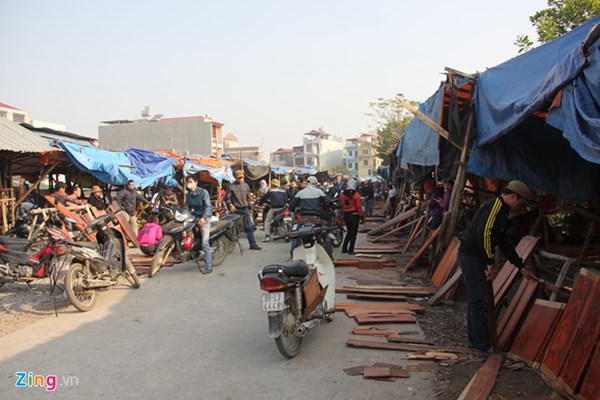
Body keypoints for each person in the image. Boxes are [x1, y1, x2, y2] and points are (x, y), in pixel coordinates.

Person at [457, 180, 536, 353]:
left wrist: (521, 266)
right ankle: (482, 346)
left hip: (474, 256)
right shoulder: (495, 206)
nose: (520, 207)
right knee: (479, 301)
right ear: (513, 196)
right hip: (471, 257)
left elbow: (504, 242)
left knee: (476, 300)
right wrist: (490, 261)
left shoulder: (502, 211)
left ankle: (476, 341)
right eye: (521, 202)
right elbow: (484, 233)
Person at [289, 175, 333, 259]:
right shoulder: (319, 192)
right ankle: (330, 256)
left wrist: (295, 210)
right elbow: (328, 203)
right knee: (325, 235)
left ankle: (292, 255)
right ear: (315, 183)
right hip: (316, 219)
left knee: (295, 235)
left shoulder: (300, 192)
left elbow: (291, 206)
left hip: (303, 219)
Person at [225, 170, 262, 250]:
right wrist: (230, 205)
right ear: (235, 177)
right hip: (235, 210)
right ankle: (227, 244)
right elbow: (227, 199)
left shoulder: (246, 185)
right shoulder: (231, 186)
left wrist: (250, 206)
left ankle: (253, 245)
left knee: (249, 227)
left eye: (242, 177)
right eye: (239, 178)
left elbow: (248, 198)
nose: (240, 179)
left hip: (244, 209)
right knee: (231, 227)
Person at [184, 175, 213, 274]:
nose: (189, 184)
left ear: (196, 182)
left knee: (205, 242)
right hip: (195, 217)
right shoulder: (189, 195)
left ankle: (209, 266)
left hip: (205, 217)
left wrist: (204, 218)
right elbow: (186, 208)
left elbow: (208, 207)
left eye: (190, 181)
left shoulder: (203, 192)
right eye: (187, 182)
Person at [340, 178, 364, 254]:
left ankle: (344, 248)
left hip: (346, 215)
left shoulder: (343, 195)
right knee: (353, 234)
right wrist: (361, 216)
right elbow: (359, 206)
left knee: (349, 232)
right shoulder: (356, 195)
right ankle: (351, 250)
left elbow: (342, 205)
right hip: (354, 215)